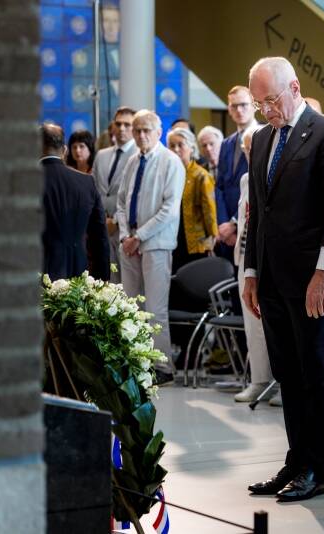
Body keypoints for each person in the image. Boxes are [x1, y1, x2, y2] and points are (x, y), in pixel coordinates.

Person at [243, 57, 324, 502]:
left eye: (271, 99)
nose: (267, 109)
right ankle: (295, 459)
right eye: (259, 103)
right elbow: (258, 213)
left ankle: (316, 468)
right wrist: (251, 271)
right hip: (272, 276)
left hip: (313, 277)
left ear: (295, 86)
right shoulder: (261, 139)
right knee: (287, 372)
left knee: (316, 372)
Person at [114, 110, 185, 385]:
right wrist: (124, 236)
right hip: (129, 243)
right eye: (137, 130)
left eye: (147, 130)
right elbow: (121, 202)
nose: (141, 135)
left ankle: (162, 366)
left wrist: (139, 236)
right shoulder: (132, 161)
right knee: (131, 306)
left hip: (156, 244)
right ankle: (136, 361)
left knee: (155, 308)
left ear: (159, 132)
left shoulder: (171, 162)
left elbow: (169, 210)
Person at [233, 125, 274, 403]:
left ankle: (280, 382)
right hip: (245, 256)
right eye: (247, 149)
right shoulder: (246, 179)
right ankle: (259, 379)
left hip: (269, 259)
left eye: (254, 148)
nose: (250, 153)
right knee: (251, 323)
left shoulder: (274, 173)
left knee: (272, 323)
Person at [40, 123, 109, 282]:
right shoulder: (86, 182)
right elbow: (99, 236)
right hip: (77, 269)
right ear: (64, 151)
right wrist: (101, 279)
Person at [91, 106, 138, 282]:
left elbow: (135, 196)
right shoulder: (102, 155)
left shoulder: (139, 155)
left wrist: (116, 220)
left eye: (128, 124)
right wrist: (101, 218)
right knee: (105, 281)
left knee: (128, 285)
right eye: (118, 124)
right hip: (101, 227)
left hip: (126, 230)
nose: (122, 128)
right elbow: (93, 191)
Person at [215, 86, 258, 262]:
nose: (239, 110)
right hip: (225, 232)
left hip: (249, 227)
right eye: (234, 106)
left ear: (254, 105)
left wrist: (235, 224)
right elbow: (219, 187)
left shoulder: (265, 136)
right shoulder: (226, 143)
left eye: (243, 104)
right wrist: (224, 225)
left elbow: (259, 187)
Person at [166, 127, 218, 270]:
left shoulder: (201, 175)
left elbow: (209, 211)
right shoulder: (167, 174)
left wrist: (212, 238)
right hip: (170, 237)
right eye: (172, 145)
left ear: (191, 147)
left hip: (195, 241)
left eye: (180, 145)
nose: (176, 149)